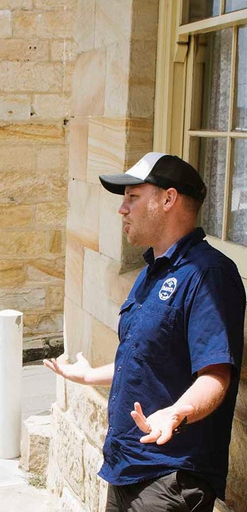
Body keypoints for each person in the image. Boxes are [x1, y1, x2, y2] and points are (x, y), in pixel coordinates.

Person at [44, 152, 245, 512]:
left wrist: (176, 413)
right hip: (127, 466)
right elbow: (143, 359)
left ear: (168, 199)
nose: (122, 209)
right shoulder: (152, 271)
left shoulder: (209, 274)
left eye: (133, 197)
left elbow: (216, 375)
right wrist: (89, 375)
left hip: (170, 478)